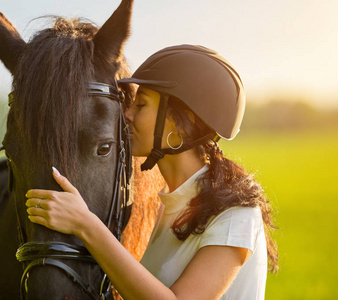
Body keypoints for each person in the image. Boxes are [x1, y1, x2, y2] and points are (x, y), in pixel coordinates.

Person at [25, 44, 278, 300]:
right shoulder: (167, 205)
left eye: (142, 105)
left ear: (182, 124)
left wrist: (85, 223)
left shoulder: (237, 215)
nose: (127, 115)